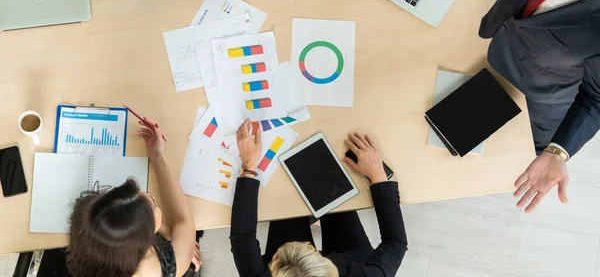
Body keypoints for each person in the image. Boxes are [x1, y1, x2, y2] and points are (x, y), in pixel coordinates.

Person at [436, 0, 600, 213]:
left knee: (483, 159)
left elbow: (596, 99)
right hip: (504, 31)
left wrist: (558, 152)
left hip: (539, 96)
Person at [230, 119, 408, 276]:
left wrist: (248, 168)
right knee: (334, 189)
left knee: (286, 205)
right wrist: (377, 175)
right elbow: (396, 243)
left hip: (306, 265)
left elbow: (242, 238)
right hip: (351, 260)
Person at [67, 119, 201, 277]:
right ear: (145, 247)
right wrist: (158, 158)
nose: (151, 196)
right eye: (154, 206)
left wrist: (160, 228)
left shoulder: (87, 226)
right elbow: (183, 221)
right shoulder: (166, 267)